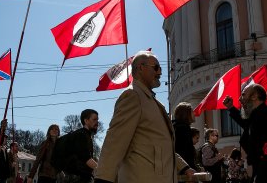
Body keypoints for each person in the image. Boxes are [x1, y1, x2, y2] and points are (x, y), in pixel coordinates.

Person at [94, 51, 194, 183]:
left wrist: (184, 167)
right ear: (141, 68)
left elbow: (161, 146)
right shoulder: (132, 96)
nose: (160, 72)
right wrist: (103, 178)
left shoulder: (152, 102)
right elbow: (115, 140)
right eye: (156, 67)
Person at [223, 84, 267, 183]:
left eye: (243, 95)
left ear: (254, 96)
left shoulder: (265, 115)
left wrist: (260, 177)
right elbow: (246, 123)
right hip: (264, 170)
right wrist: (231, 108)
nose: (239, 99)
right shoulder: (257, 115)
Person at [58, 109, 99, 183]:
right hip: (77, 179)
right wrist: (102, 171)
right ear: (86, 121)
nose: (97, 122)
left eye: (97, 120)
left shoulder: (86, 135)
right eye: (94, 119)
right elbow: (86, 158)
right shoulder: (81, 135)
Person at [173, 102, 198, 172]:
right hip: (185, 172)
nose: (194, 114)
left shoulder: (179, 127)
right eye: (192, 112)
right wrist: (189, 169)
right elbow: (184, 153)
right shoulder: (182, 129)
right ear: (186, 114)